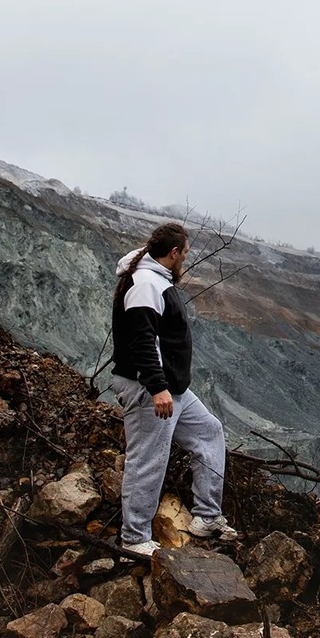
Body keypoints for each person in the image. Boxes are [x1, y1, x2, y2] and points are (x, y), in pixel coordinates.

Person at [110, 221, 238, 553]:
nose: (185, 260)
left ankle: (207, 516)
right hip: (150, 388)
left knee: (209, 431)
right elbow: (142, 340)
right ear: (175, 253)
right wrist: (156, 388)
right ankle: (134, 538)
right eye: (185, 253)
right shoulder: (145, 284)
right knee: (148, 458)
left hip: (172, 389)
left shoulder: (156, 280)